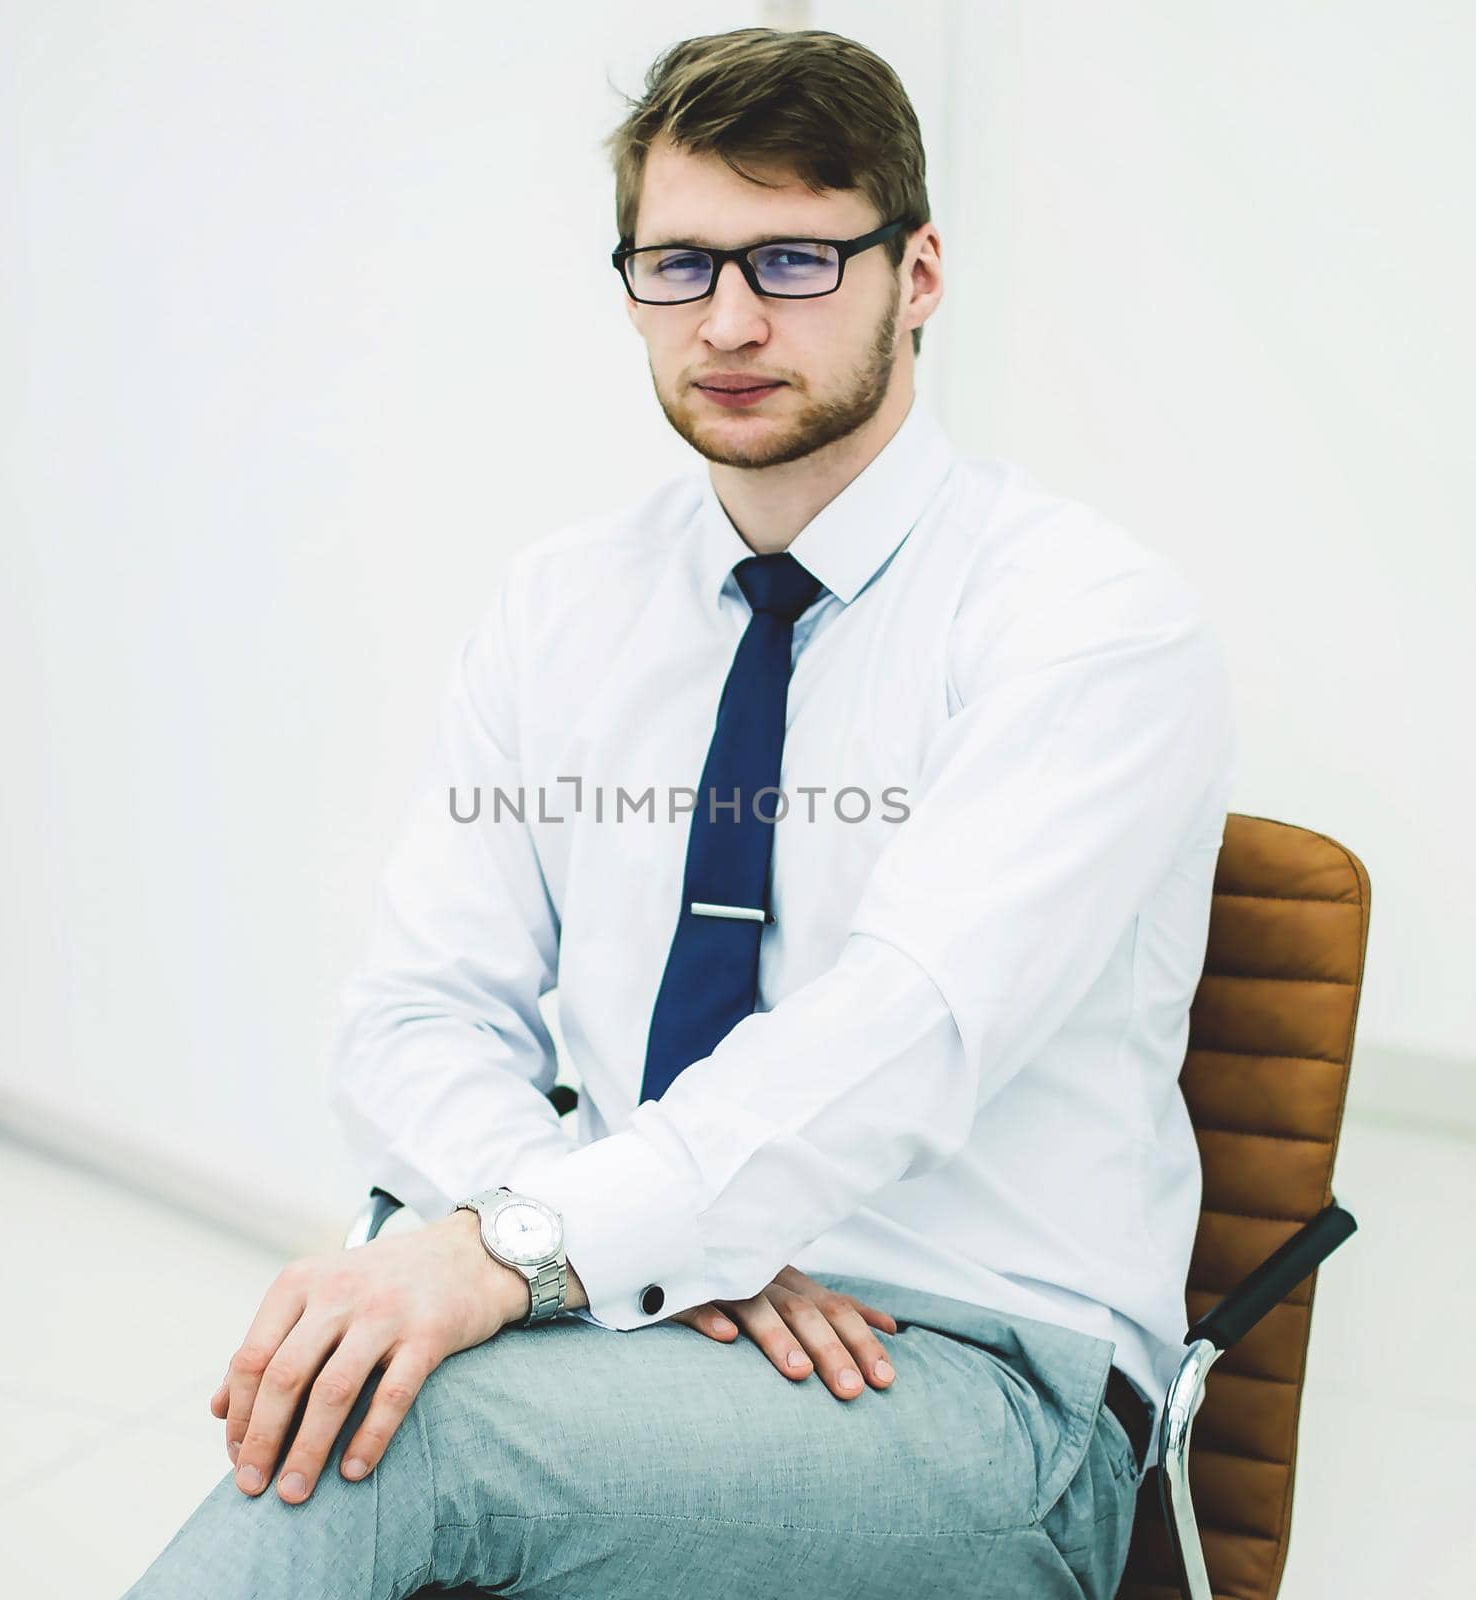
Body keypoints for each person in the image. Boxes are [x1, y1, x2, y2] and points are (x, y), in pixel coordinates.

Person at [123, 24, 1236, 1600]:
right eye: (676, 265)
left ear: (917, 274)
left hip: (973, 1380)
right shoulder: (564, 603)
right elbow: (418, 1014)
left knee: (404, 1439)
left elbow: (899, 1033)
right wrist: (590, 1250)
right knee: (372, 1401)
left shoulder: (1088, 623)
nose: (725, 320)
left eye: (791, 260)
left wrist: (544, 1247)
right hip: (651, 1323)